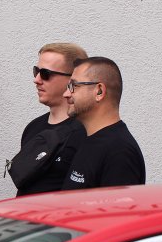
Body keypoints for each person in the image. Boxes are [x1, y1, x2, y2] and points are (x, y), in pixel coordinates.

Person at [8, 42, 89, 194]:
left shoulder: (85, 132)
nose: (37, 79)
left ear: (72, 79)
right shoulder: (33, 127)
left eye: (45, 73)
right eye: (36, 71)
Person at [61, 56, 146, 189]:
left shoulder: (119, 151)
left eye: (74, 86)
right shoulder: (88, 140)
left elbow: (118, 209)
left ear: (99, 91)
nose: (66, 94)